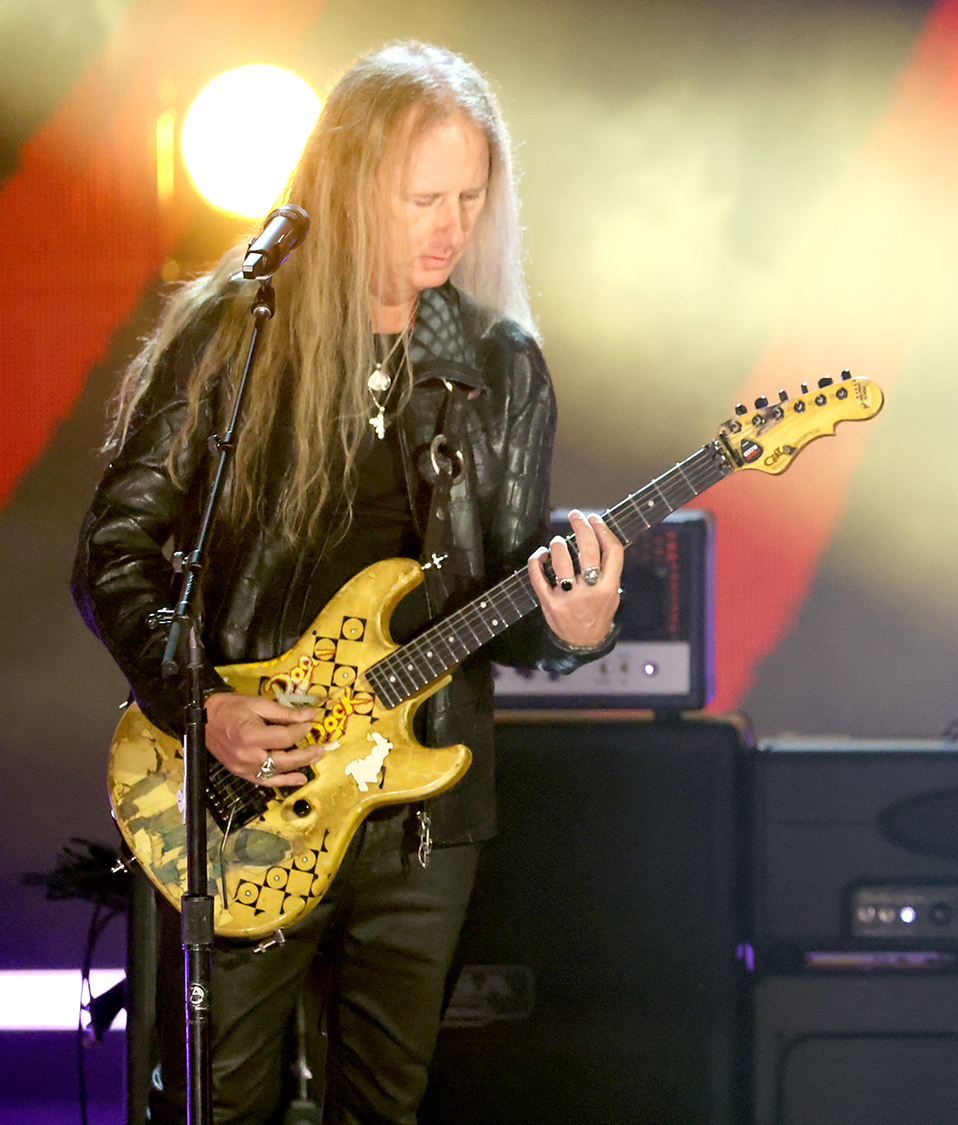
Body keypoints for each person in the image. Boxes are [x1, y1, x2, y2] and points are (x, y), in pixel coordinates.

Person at [74, 42, 622, 1123]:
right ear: (345, 181)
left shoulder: (501, 368)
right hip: (249, 789)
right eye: (422, 197)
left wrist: (571, 624)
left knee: (388, 1104)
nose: (449, 226)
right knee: (221, 1100)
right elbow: (114, 553)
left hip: (422, 818)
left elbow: (504, 601)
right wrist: (203, 708)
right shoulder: (237, 335)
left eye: (469, 197)